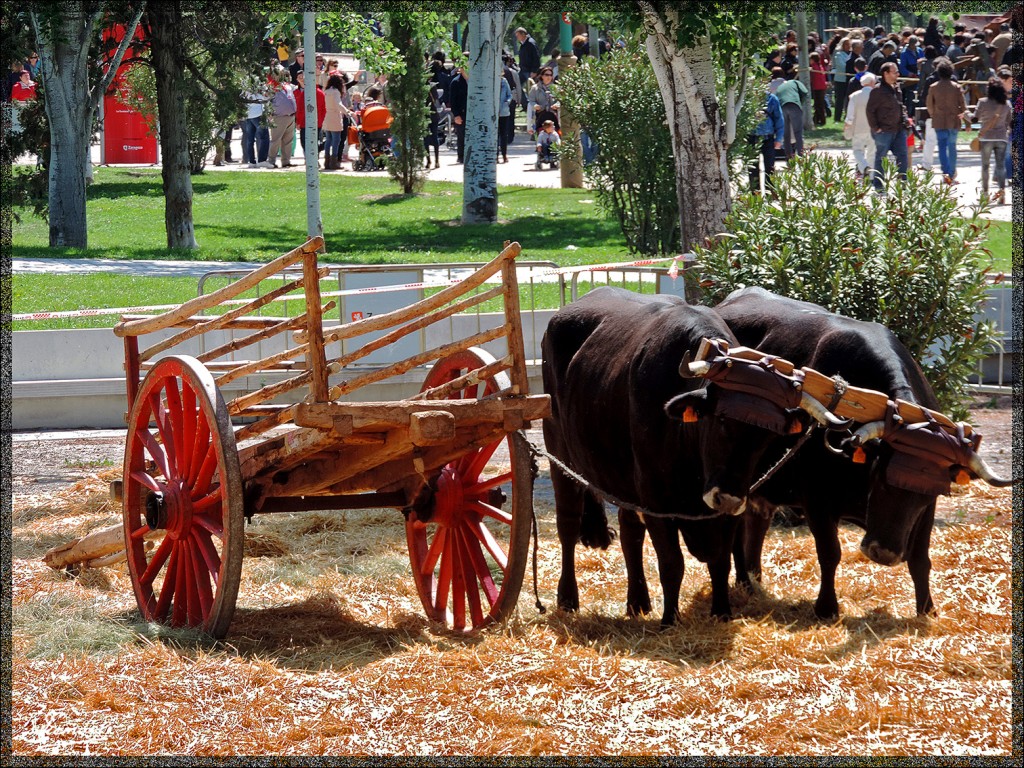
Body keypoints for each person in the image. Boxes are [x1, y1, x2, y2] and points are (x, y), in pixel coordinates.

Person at [866, 61, 910, 191]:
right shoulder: (877, 91)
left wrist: (905, 119)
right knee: (881, 158)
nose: (898, 74)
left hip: (899, 129)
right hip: (884, 131)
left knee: (902, 155)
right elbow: (870, 111)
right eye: (894, 72)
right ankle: (879, 185)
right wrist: (876, 127)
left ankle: (903, 184)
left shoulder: (897, 88)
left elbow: (901, 106)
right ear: (885, 73)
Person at [926, 57, 966, 184]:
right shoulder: (956, 87)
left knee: (942, 146)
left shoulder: (933, 87)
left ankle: (945, 172)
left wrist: (934, 114)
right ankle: (952, 172)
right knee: (952, 146)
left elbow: (929, 105)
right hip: (953, 121)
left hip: (938, 120)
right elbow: (963, 106)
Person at [974, 76, 1011, 204]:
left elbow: (975, 118)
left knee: (985, 166)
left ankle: (985, 194)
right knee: (1000, 166)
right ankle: (1002, 193)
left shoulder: (982, 102)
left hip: (986, 138)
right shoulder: (1006, 104)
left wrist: (965, 115)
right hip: (1001, 137)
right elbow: (1009, 121)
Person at [748, 86, 784, 194]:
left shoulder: (772, 99)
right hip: (751, 138)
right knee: (752, 169)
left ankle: (770, 194)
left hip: (768, 138)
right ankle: (755, 196)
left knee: (770, 168)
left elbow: (779, 119)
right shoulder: (746, 99)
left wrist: (778, 139)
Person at [845, 71, 878, 181]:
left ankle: (864, 167)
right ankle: (872, 176)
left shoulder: (854, 96)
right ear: (872, 82)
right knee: (872, 153)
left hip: (858, 128)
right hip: (874, 128)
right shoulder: (877, 95)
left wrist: (847, 126)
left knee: (857, 150)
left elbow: (850, 115)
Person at [261, 68, 296, 168]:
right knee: (276, 140)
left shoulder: (286, 85)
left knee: (288, 140)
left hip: (290, 116)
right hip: (278, 117)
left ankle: (286, 161)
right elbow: (266, 100)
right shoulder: (271, 86)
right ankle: (271, 161)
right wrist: (269, 115)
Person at [774, 69, 809, 159]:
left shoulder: (780, 87)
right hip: (794, 106)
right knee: (798, 132)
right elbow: (805, 92)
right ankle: (801, 156)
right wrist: (800, 103)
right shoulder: (796, 82)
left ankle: (789, 156)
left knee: (786, 134)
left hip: (783, 107)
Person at [294, 70, 326, 164]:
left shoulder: (306, 93)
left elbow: (300, 108)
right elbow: (324, 109)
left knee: (305, 142)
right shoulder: (320, 93)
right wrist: (321, 120)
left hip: (305, 123)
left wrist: (298, 122)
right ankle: (314, 159)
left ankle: (310, 159)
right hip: (317, 122)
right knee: (315, 141)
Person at [322, 73, 352, 171]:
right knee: (336, 139)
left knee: (328, 139)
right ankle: (334, 162)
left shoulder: (326, 91)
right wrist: (347, 111)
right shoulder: (335, 92)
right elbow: (338, 104)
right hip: (335, 115)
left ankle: (327, 161)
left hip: (327, 115)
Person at [240, 85, 270, 167]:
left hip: (249, 115)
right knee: (264, 137)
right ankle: (262, 160)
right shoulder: (257, 84)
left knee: (250, 140)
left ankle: (251, 161)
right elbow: (265, 98)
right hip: (258, 114)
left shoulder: (245, 87)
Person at [447, 59, 468, 164]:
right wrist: (456, 115)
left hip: (475, 113)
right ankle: (461, 156)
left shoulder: (478, 81)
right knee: (462, 136)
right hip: (462, 113)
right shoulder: (456, 82)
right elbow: (452, 101)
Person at [528, 66, 559, 133]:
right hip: (540, 116)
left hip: (553, 116)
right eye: (547, 75)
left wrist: (557, 105)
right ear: (542, 76)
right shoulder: (535, 88)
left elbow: (560, 100)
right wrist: (535, 105)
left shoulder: (556, 88)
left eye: (551, 75)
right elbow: (531, 100)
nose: (549, 77)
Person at [831, 37, 852, 123]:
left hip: (848, 79)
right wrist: (850, 67)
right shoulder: (838, 54)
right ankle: (837, 117)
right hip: (840, 80)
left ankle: (848, 115)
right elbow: (841, 66)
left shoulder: (851, 54)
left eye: (848, 44)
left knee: (849, 98)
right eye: (846, 44)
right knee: (839, 99)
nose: (847, 46)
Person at [497, 71, 513, 163]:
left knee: (504, 135)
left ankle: (504, 154)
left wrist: (507, 102)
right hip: (493, 112)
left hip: (504, 111)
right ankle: (495, 155)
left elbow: (509, 95)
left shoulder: (504, 81)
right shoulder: (490, 81)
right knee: (495, 135)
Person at [809, 51, 829, 126]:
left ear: (813, 60)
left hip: (818, 88)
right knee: (818, 104)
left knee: (819, 105)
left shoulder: (815, 67)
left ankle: (821, 120)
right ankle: (816, 119)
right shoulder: (820, 66)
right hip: (821, 87)